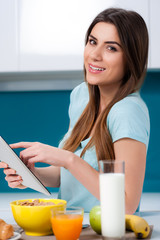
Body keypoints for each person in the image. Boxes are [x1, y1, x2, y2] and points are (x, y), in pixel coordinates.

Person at [0, 8, 150, 214]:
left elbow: (126, 204)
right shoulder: (82, 96)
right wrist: (32, 175)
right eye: (92, 41)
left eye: (111, 48)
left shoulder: (128, 112)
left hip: (105, 229)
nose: (94, 55)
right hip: (70, 223)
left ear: (131, 58)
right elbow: (69, 176)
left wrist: (68, 159)